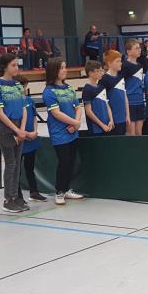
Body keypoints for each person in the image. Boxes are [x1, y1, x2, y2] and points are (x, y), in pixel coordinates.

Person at [42, 59, 85, 204]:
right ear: (54, 70)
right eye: (61, 68)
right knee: (64, 162)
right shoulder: (49, 91)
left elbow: (78, 107)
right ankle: (59, 191)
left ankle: (66, 189)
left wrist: (75, 124)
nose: (65, 70)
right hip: (59, 133)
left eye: (65, 67)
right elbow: (56, 113)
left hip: (72, 131)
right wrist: (75, 123)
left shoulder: (69, 88)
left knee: (71, 162)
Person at [0, 53, 29, 213]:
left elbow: (24, 108)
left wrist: (22, 129)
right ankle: (8, 199)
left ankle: (15, 197)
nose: (16, 68)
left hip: (19, 126)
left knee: (17, 164)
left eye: (17, 64)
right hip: (6, 128)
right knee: (11, 163)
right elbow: (0, 113)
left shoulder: (18, 85)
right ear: (5, 66)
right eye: (13, 65)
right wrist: (16, 130)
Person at [16, 76, 45, 202]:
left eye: (24, 85)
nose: (22, 88)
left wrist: (34, 132)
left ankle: (34, 192)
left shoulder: (30, 101)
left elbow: (34, 117)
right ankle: (17, 195)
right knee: (16, 170)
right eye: (19, 85)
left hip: (32, 139)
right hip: (20, 139)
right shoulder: (13, 103)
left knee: (30, 168)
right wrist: (26, 134)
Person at [100, 50, 129, 136]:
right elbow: (104, 101)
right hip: (113, 119)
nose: (120, 63)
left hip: (123, 118)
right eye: (118, 61)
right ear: (109, 63)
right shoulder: (104, 79)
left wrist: (127, 115)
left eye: (120, 61)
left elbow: (125, 96)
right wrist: (110, 119)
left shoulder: (120, 77)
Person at [82, 60, 113, 136]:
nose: (102, 73)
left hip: (107, 125)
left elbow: (107, 105)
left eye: (102, 70)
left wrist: (111, 120)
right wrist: (102, 125)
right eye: (99, 71)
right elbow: (88, 111)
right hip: (96, 129)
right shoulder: (87, 89)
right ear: (90, 73)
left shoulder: (101, 87)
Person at [121, 38, 145, 136]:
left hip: (140, 101)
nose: (139, 50)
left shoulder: (140, 65)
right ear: (128, 51)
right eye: (136, 48)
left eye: (139, 48)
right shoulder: (124, 66)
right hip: (130, 102)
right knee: (131, 133)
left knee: (139, 133)